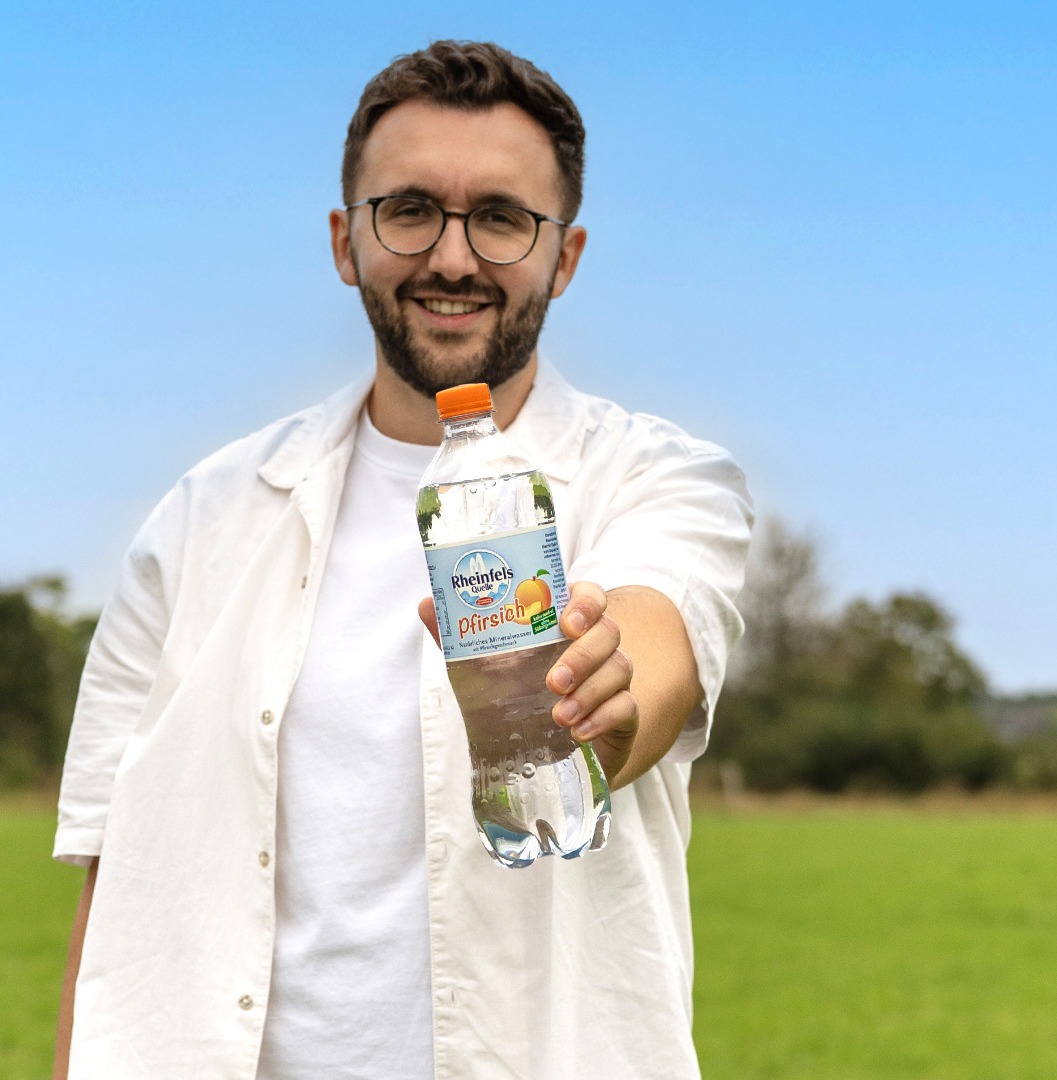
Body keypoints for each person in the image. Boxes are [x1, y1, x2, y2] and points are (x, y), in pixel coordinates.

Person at [52, 40, 753, 1080]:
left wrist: (597, 686)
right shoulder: (201, 520)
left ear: (566, 256)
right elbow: (116, 895)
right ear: (346, 241)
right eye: (410, 210)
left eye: (503, 219)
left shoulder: (659, 481)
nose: (454, 258)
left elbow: (654, 641)